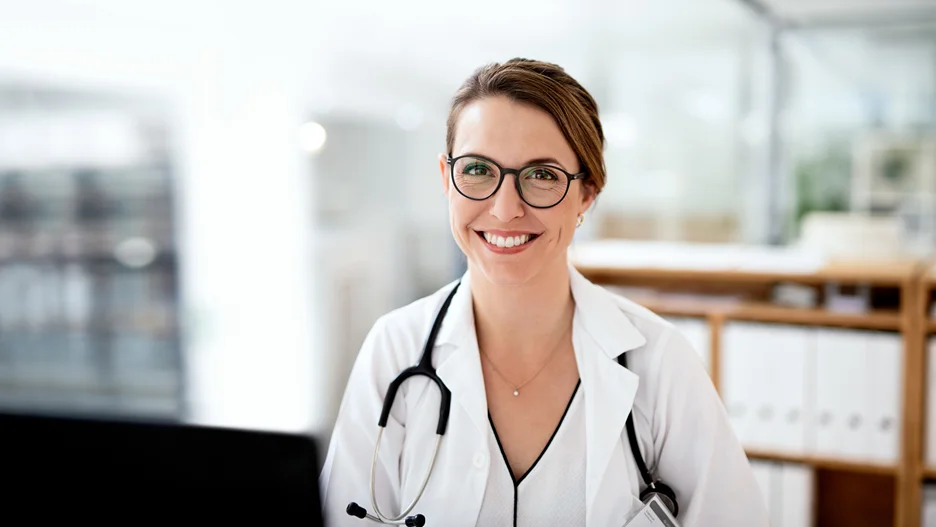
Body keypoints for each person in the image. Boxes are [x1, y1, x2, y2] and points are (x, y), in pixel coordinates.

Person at [319, 58, 769, 527]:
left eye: (542, 175)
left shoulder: (659, 363)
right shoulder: (394, 349)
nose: (505, 208)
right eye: (477, 169)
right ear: (445, 177)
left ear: (587, 194)